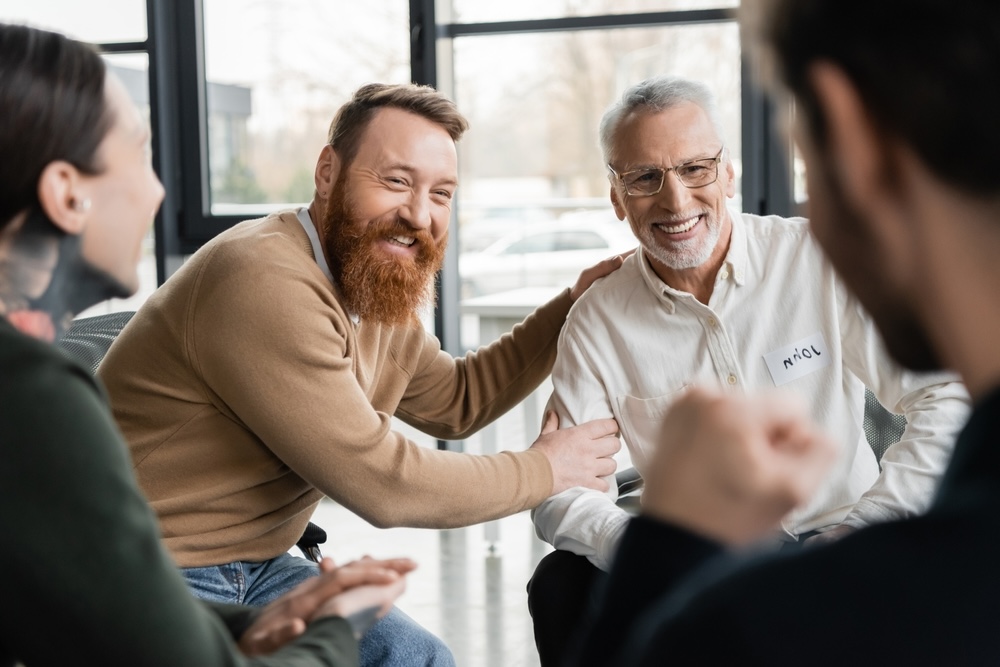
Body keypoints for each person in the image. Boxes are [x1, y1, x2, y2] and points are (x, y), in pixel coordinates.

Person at [97, 82, 624, 665]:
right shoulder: (264, 281)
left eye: (441, 193)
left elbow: (457, 399)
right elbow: (384, 483)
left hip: (260, 568)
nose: (419, 214)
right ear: (328, 173)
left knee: (420, 659)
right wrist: (547, 470)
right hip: (146, 569)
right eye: (396, 181)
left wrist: (572, 305)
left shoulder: (365, 281)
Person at [561, 0, 1000, 663]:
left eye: (695, 169)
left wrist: (861, 528)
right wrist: (664, 537)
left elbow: (938, 399)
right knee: (559, 584)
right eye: (646, 178)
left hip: (842, 535)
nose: (676, 200)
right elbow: (560, 486)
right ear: (617, 196)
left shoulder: (810, 260)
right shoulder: (596, 314)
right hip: (712, 556)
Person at [0, 22, 415, 667]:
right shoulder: (31, 395)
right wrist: (336, 624)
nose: (160, 191)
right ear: (65, 193)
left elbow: (71, 605)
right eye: (140, 156)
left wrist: (247, 623)